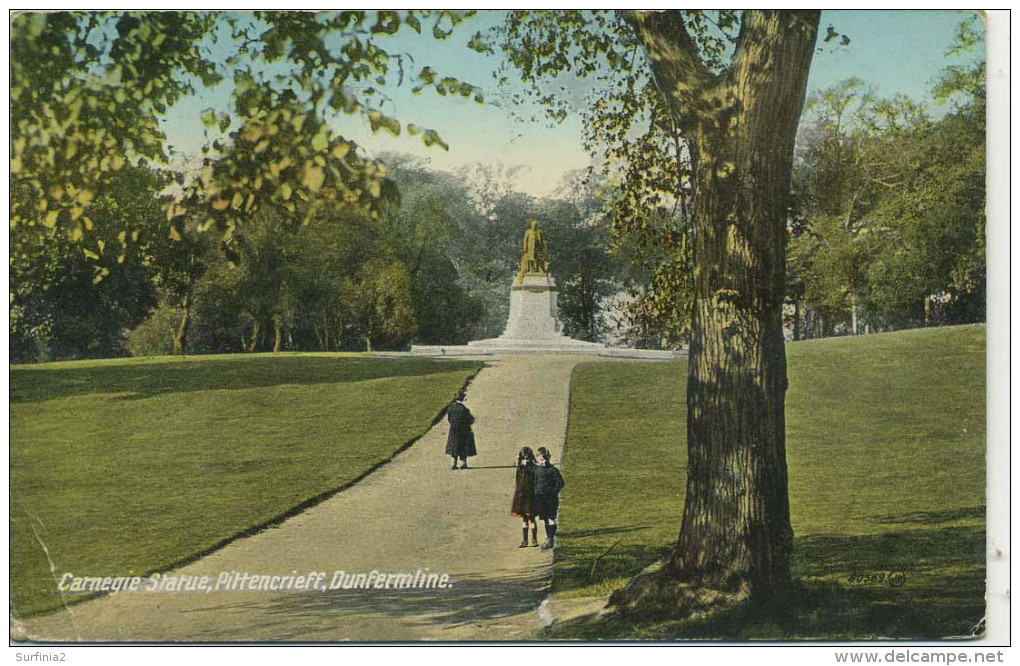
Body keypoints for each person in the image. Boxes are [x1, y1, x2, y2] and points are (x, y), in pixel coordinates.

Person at [534, 447, 565, 550]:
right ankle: (548, 537)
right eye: (541, 460)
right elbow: (535, 483)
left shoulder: (553, 470)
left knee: (551, 518)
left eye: (545, 459)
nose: (543, 462)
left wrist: (552, 492)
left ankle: (551, 539)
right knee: (545, 519)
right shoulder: (537, 470)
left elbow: (560, 483)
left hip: (550, 499)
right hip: (540, 498)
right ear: (537, 459)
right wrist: (536, 492)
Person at [510, 447, 538, 548]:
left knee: (531, 519)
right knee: (524, 519)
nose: (526, 461)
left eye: (527, 459)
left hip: (530, 497)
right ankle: (525, 540)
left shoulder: (533, 469)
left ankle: (534, 539)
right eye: (524, 459)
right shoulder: (520, 469)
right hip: (521, 497)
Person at [445, 389, 476, 470]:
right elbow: (470, 419)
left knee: (454, 447)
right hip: (463, 430)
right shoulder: (464, 409)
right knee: (463, 446)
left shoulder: (451, 408)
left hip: (453, 430)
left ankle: (453, 463)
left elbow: (449, 419)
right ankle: (463, 463)